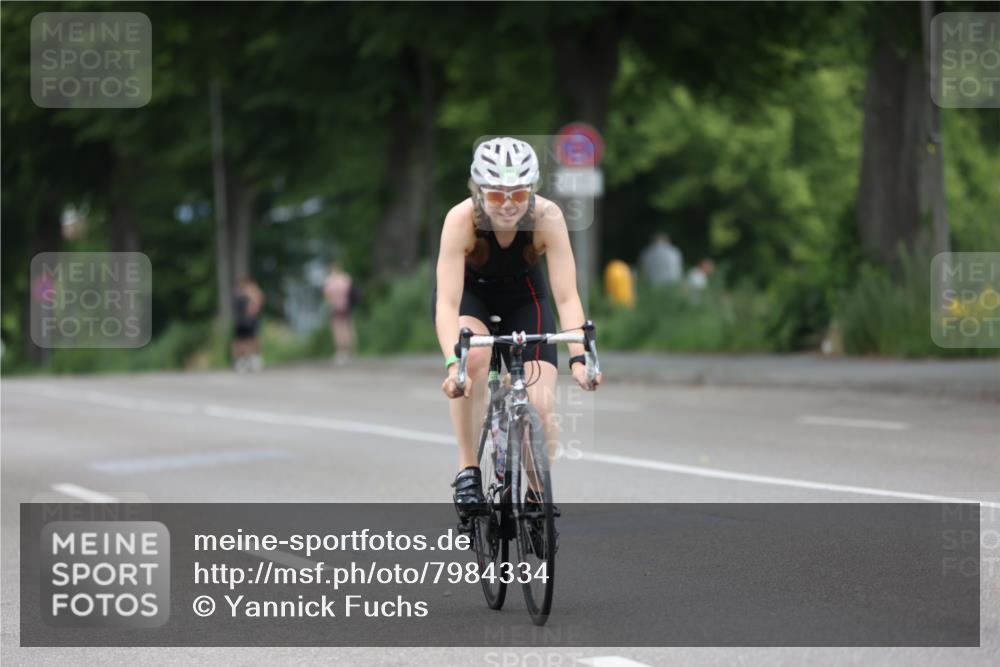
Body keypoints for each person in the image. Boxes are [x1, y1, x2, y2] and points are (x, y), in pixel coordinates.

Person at [432, 137, 602, 517]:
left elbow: (566, 297)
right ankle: (468, 471)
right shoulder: (461, 220)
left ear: (532, 190)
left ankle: (538, 496)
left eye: (519, 193)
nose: (508, 205)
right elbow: (445, 303)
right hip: (471, 299)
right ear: (478, 192)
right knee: (473, 360)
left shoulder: (548, 217)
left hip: (526, 299)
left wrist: (578, 359)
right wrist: (451, 365)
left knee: (540, 405)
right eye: (496, 196)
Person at [323, 262, 359, 365]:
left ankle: (341, 351)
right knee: (349, 328)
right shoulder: (346, 278)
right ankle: (351, 351)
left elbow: (327, 295)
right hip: (347, 307)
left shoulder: (329, 281)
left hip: (335, 307)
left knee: (338, 330)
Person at [232, 276, 265, 372]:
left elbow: (257, 305)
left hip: (247, 320)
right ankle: (244, 361)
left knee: (251, 339)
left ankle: (251, 360)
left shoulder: (248, 292)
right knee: (242, 341)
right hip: (243, 320)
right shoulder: (243, 293)